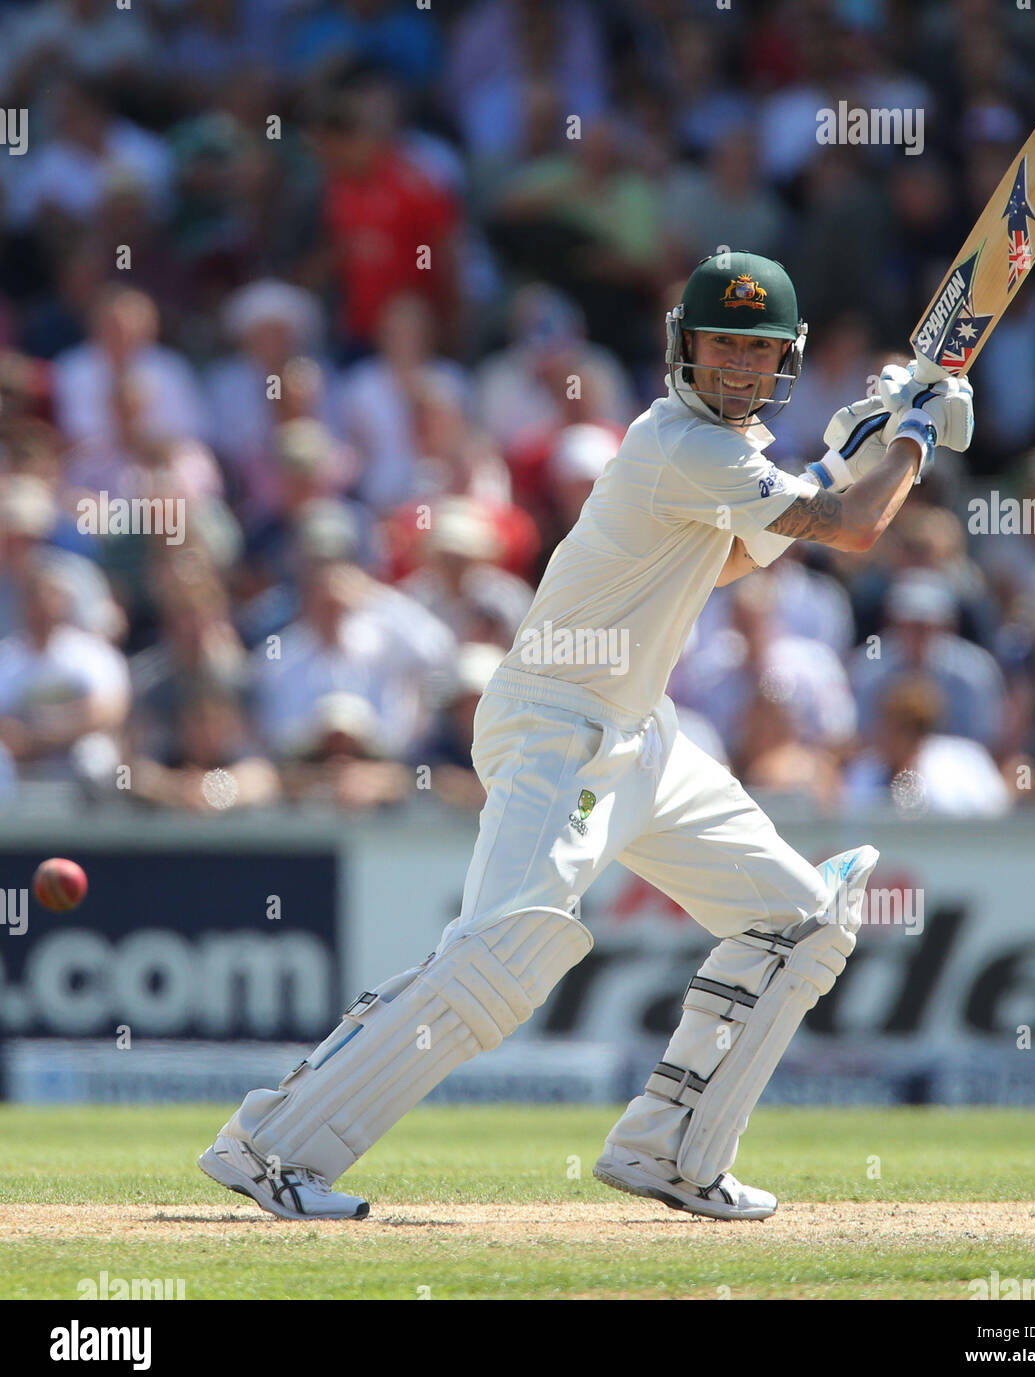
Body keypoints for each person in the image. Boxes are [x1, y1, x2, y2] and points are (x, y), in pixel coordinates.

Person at [197, 251, 973, 1222]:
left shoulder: (708, 463)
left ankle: (670, 1149)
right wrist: (907, 441)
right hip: (557, 726)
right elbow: (856, 531)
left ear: (785, 360)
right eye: (722, 344)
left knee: (800, 924)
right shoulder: (682, 445)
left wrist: (839, 455)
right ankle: (269, 1144)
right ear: (682, 349)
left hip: (640, 734)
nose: (739, 366)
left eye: (759, 349)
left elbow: (723, 558)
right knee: (503, 954)